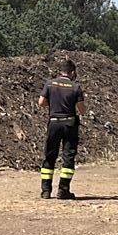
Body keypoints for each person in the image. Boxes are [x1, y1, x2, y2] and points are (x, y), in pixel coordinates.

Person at [38, 58, 84, 200]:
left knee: (50, 155)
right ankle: (63, 190)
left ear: (60, 71)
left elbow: (41, 103)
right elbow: (82, 110)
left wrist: (53, 104)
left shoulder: (50, 84)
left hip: (54, 123)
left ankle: (46, 191)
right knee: (68, 157)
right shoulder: (75, 87)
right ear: (72, 72)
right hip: (69, 124)